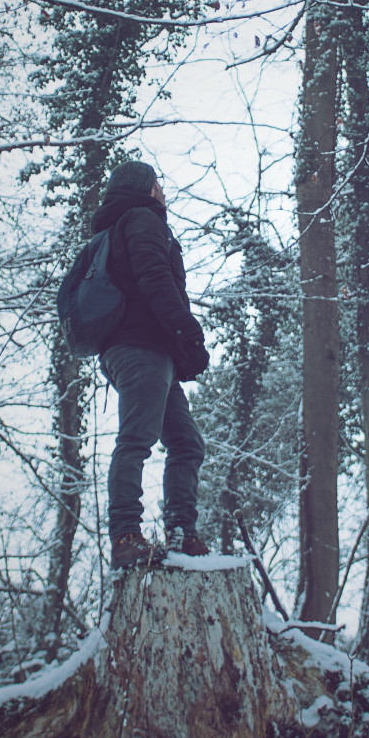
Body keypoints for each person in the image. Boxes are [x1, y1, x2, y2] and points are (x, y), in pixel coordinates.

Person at [91, 160, 212, 569]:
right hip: (140, 347)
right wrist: (188, 334)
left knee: (186, 442)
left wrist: (177, 347)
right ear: (145, 187)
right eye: (158, 184)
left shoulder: (116, 227)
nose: (163, 191)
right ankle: (126, 535)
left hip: (144, 350)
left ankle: (180, 533)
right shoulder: (142, 218)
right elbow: (155, 277)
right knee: (137, 439)